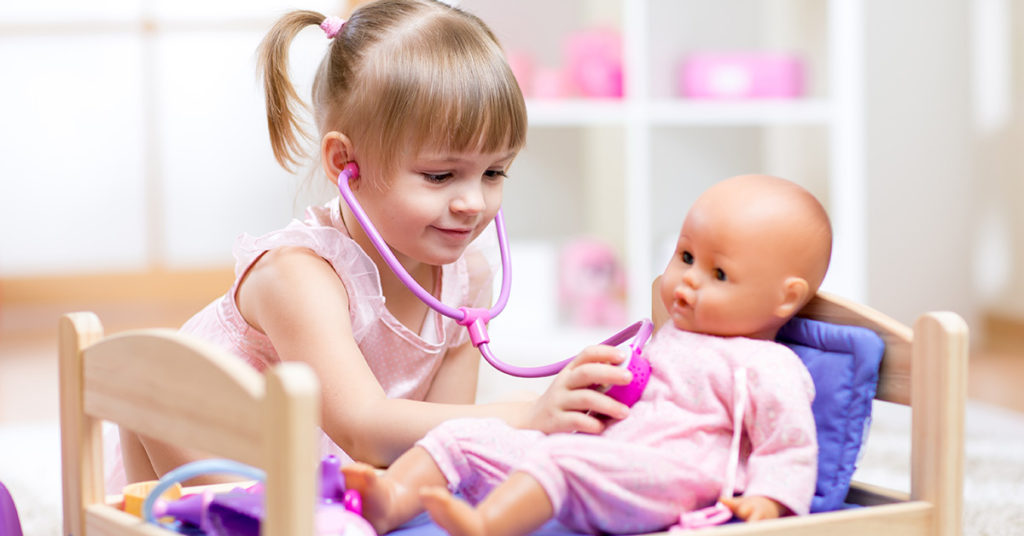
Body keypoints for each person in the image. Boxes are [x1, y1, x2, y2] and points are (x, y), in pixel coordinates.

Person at [112, 0, 635, 490]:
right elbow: (362, 429)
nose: (473, 201)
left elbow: (438, 450)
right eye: (440, 175)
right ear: (345, 164)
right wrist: (526, 413)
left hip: (318, 483)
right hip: (205, 476)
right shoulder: (298, 275)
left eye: (495, 171)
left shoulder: (469, 281)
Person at [341, 174, 833, 536]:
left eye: (719, 274)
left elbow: (788, 444)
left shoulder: (766, 366)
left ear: (785, 299)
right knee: (464, 435)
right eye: (685, 257)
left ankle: (486, 526)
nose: (687, 282)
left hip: (672, 476)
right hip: (606, 454)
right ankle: (392, 499)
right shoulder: (669, 335)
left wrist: (770, 502)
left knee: (562, 459)